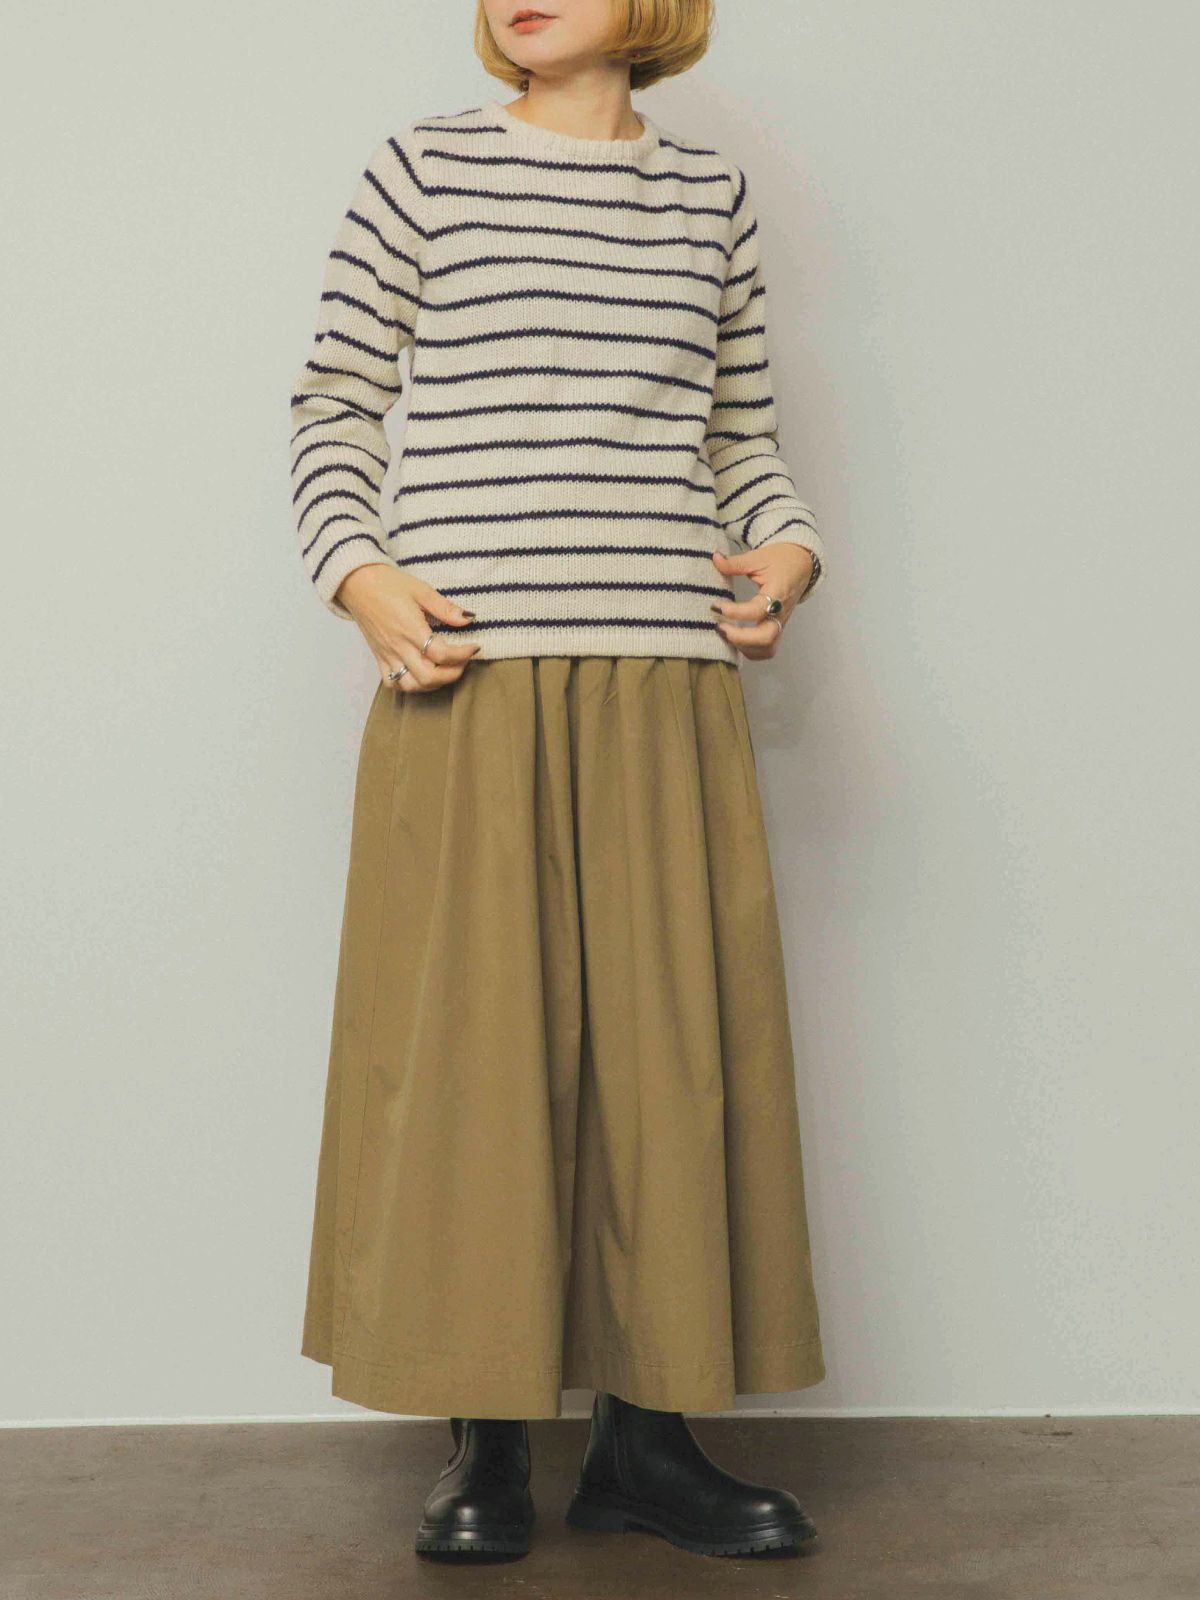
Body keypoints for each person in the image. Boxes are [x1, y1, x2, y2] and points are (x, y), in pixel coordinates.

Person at [287, 0, 828, 1564]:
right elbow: (334, 398)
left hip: (664, 681)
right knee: (473, 1060)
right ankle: (486, 1444)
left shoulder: (706, 197)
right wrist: (361, 576)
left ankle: (647, 1445)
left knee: (670, 1060)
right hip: (469, 676)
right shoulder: (425, 168)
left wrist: (789, 552)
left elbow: (742, 435)